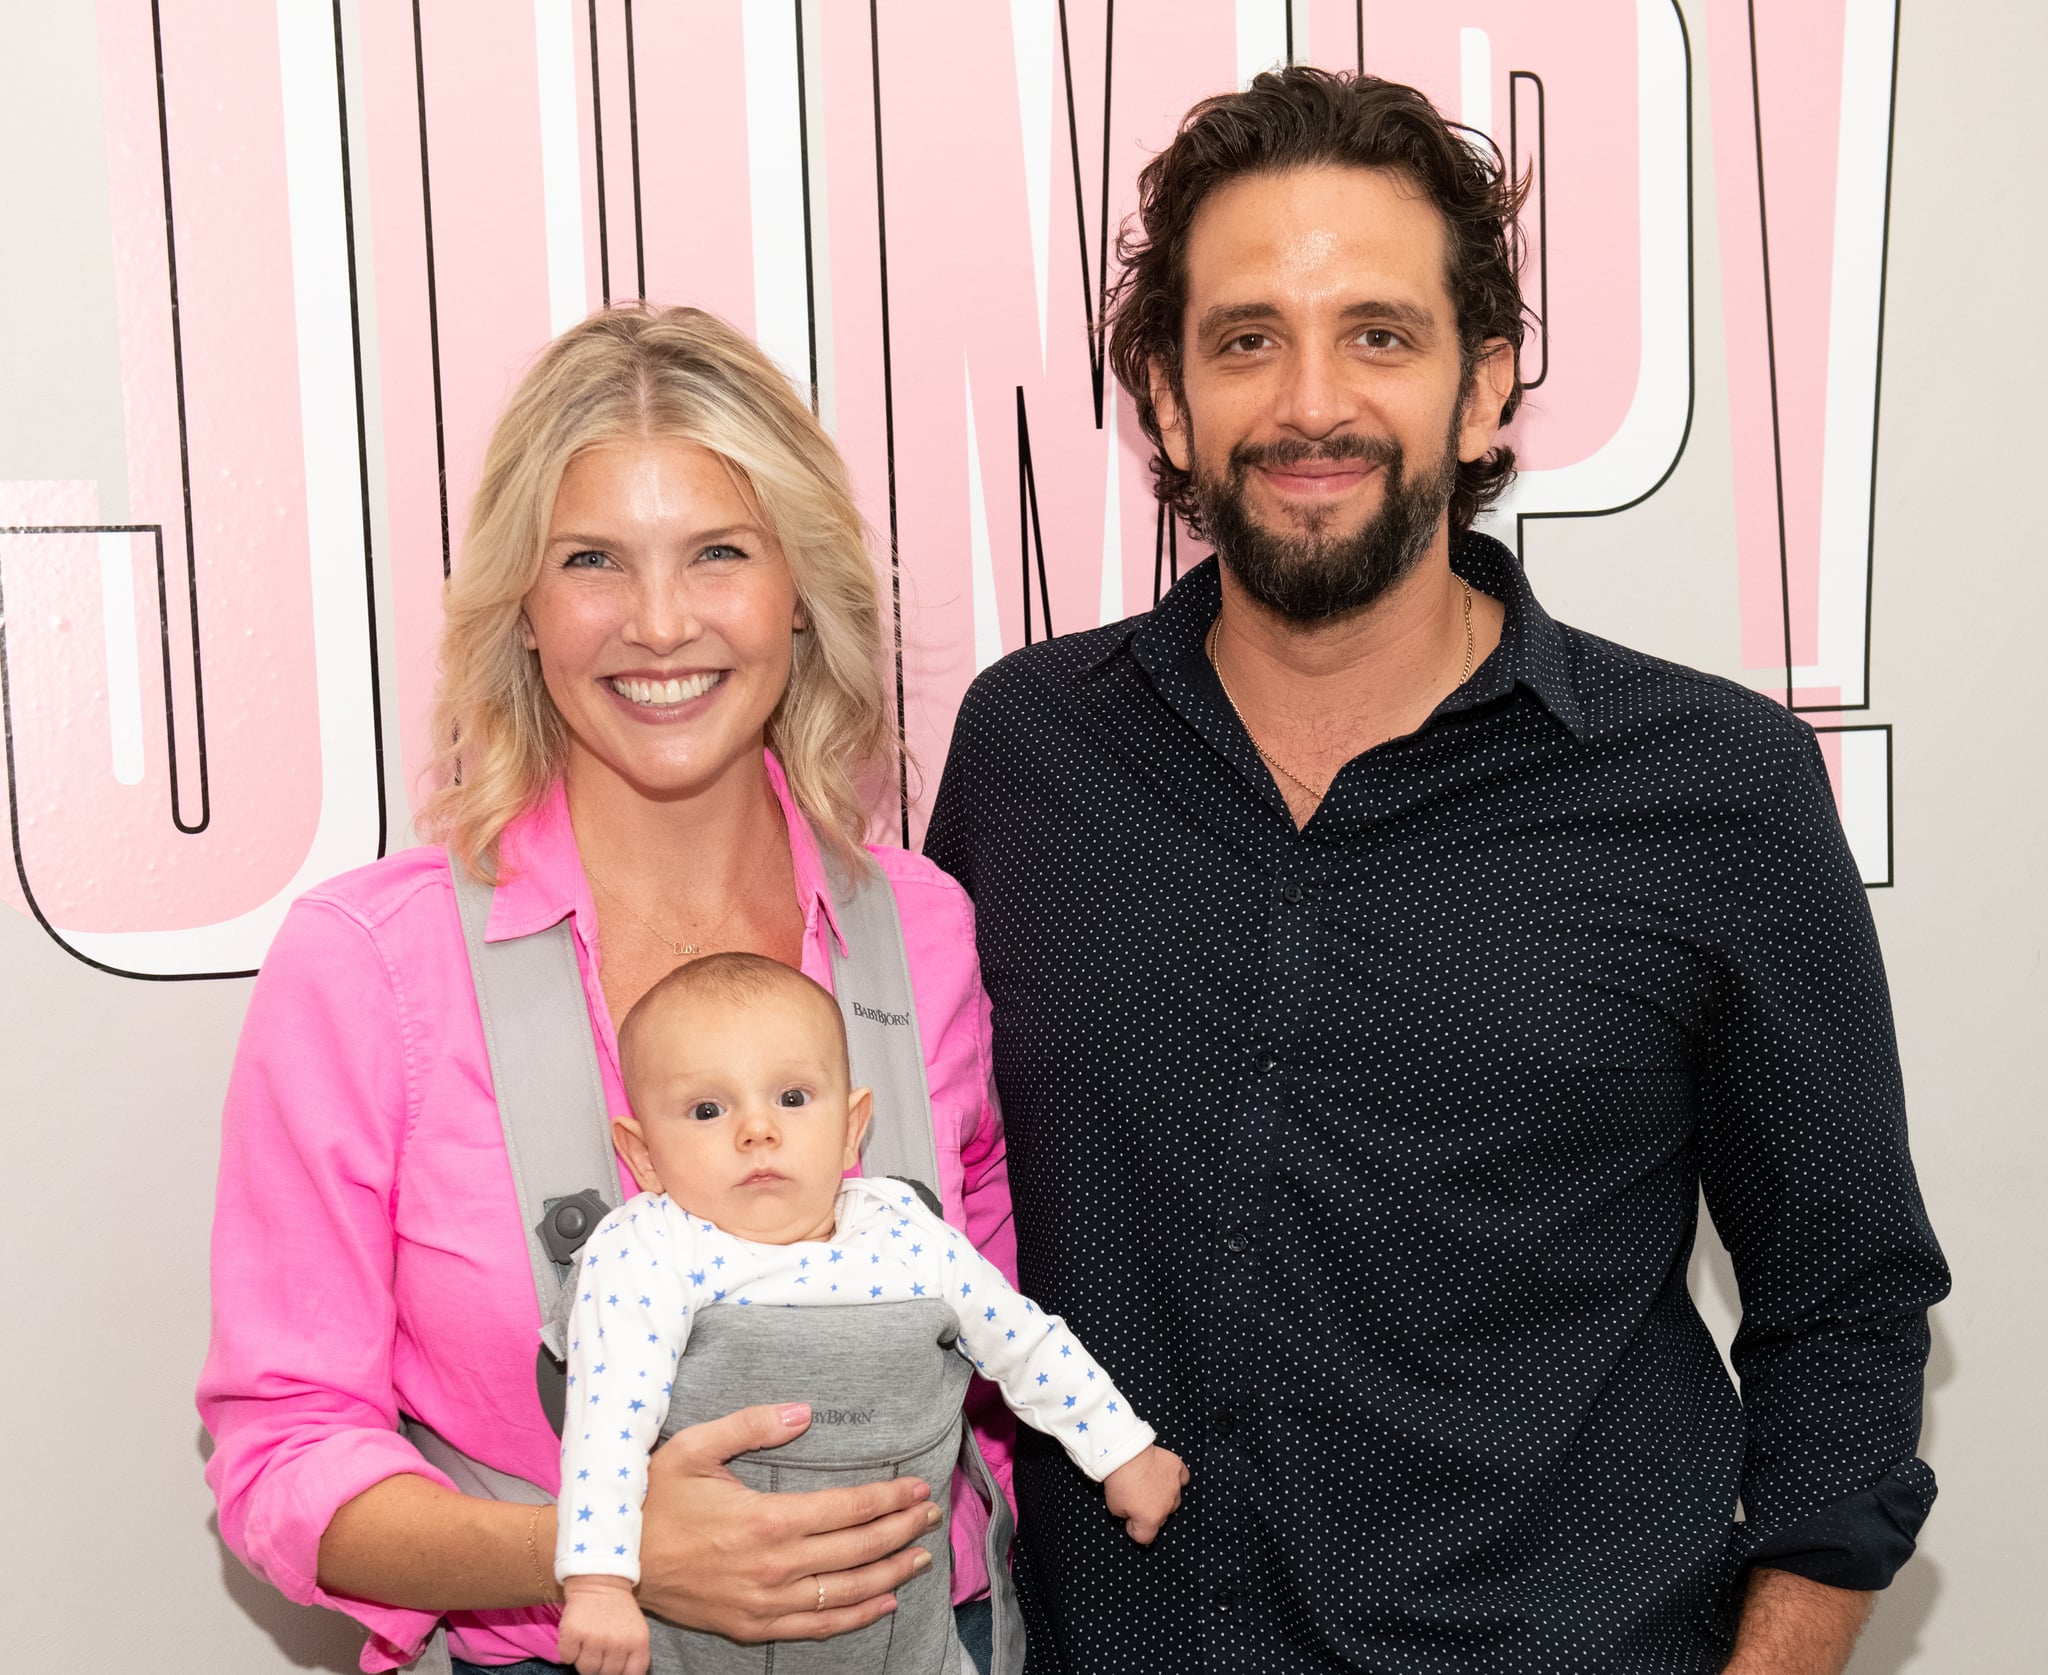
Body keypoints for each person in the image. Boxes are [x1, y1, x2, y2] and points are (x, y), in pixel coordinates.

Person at [924, 67, 1949, 1675]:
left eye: (1380, 335)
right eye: (1247, 336)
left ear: (1484, 392)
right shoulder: (1030, 750)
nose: (1310, 403)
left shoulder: (1710, 784)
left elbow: (1850, 1306)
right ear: (1167, 398)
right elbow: (933, 1218)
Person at [200, 305, 1017, 1674]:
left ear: (800, 585)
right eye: (592, 560)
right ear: (521, 605)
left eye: (717, 552)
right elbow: (282, 1440)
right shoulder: (370, 962)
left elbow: (994, 1341)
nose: (656, 621)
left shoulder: (922, 928)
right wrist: (596, 1542)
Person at [554, 953, 1185, 1675]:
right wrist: (598, 1580)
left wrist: (1122, 1449)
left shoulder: (904, 1230)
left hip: (906, 1643)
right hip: (703, 1648)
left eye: (792, 1096)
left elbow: (1024, 1341)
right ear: (643, 1153)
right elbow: (606, 1421)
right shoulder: (645, 1247)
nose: (757, 1129)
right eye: (707, 1109)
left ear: (853, 1125)